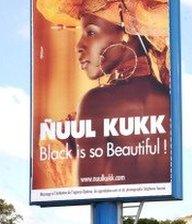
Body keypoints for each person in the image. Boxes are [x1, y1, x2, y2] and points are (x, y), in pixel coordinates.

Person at [36, 0, 171, 186]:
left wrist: (75, 144)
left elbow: (89, 190)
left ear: (126, 34)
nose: (79, 46)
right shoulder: (168, 97)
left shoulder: (97, 102)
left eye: (90, 32)